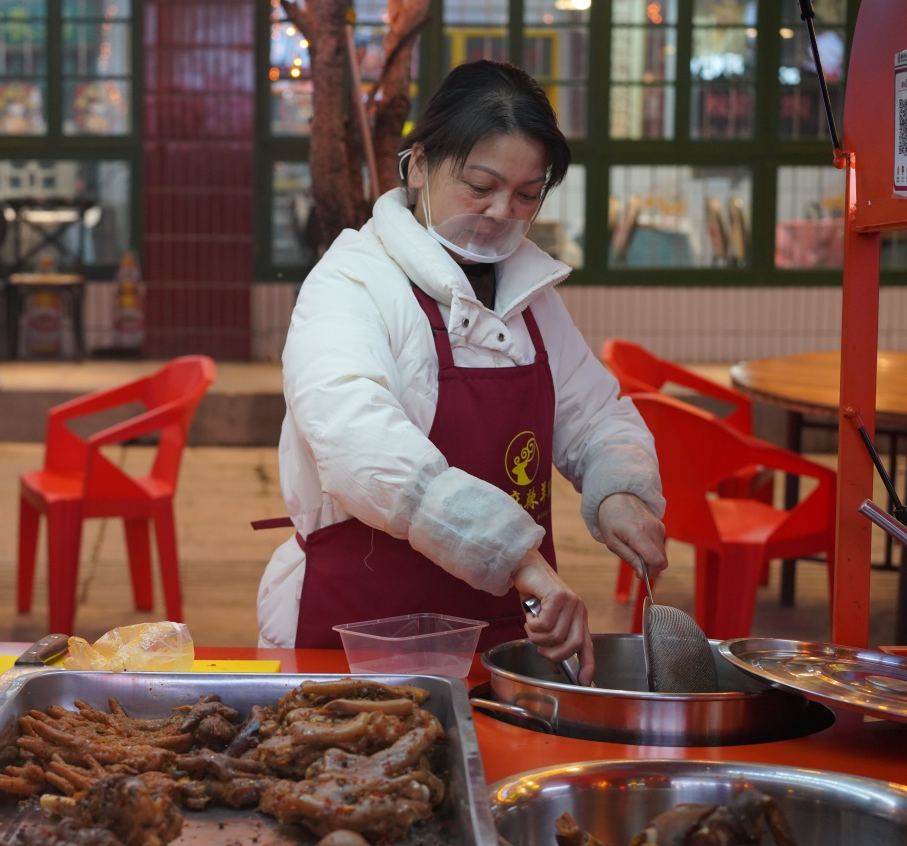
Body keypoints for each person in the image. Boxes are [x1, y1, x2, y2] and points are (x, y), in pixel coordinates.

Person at [255, 60, 668, 684]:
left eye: (527, 194)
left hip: (508, 632)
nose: (502, 211)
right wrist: (518, 558)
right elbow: (358, 445)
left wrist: (621, 491)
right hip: (363, 637)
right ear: (419, 165)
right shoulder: (351, 282)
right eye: (481, 185)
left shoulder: (530, 293)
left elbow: (595, 413)